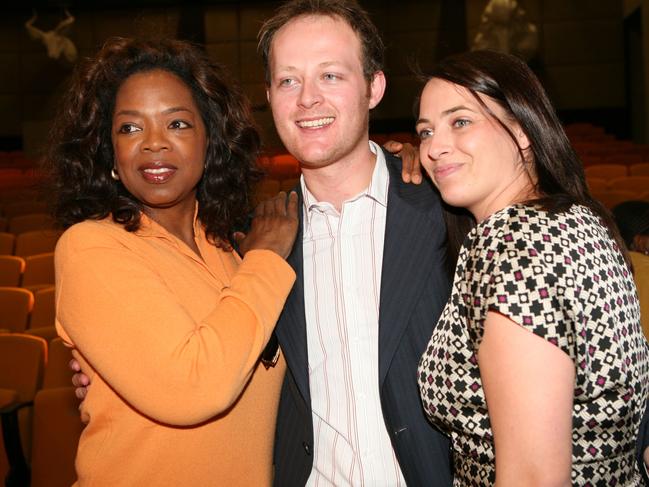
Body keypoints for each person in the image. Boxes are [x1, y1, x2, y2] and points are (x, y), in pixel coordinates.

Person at [48, 37, 299, 486]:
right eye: (130, 128)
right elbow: (193, 390)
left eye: (178, 124)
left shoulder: (231, 249)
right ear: (109, 153)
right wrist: (264, 259)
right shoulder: (90, 247)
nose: (153, 144)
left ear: (210, 140)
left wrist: (398, 166)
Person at [415, 49, 649, 485]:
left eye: (460, 121)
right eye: (425, 131)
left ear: (522, 131)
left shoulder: (514, 242)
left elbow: (533, 477)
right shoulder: (579, 219)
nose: (434, 147)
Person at [258, 1, 453, 485]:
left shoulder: (444, 209)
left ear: (374, 88)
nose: (307, 99)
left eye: (330, 76)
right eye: (288, 80)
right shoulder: (254, 241)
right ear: (269, 96)